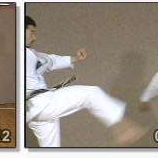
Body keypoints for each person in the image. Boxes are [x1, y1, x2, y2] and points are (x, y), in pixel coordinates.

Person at [25, 15, 143, 147]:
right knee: (92, 93)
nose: (34, 37)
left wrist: (75, 58)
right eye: (31, 32)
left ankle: (123, 129)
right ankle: (123, 129)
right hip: (40, 103)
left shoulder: (31, 54)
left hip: (35, 110)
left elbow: (51, 61)